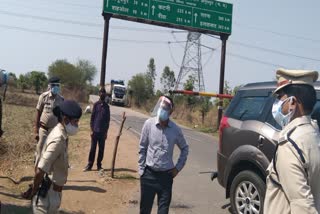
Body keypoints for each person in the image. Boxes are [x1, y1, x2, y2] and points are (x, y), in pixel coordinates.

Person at [264, 68, 320, 213]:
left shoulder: (289, 145)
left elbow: (303, 206)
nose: (278, 105)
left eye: (281, 99)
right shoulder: (313, 133)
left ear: (293, 102)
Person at [138, 96, 189, 214]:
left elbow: (185, 148)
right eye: (161, 107)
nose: (162, 110)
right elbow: (142, 147)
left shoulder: (175, 130)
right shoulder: (148, 124)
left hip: (166, 177)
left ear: (171, 111)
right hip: (148, 175)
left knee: (163, 211)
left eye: (165, 108)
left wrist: (177, 168)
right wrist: (142, 170)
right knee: (144, 210)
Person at [30, 100, 82, 213]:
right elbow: (40, 170)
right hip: (46, 197)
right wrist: (33, 191)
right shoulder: (58, 139)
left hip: (53, 194)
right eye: (76, 121)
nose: (77, 125)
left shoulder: (62, 134)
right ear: (65, 119)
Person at [34, 76, 64, 167]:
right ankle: (37, 176)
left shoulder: (61, 99)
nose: (56, 87)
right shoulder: (43, 97)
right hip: (43, 130)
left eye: (57, 85)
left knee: (51, 154)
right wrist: (36, 130)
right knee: (40, 153)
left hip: (54, 131)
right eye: (54, 85)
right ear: (50, 86)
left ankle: (47, 177)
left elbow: (61, 117)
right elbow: (38, 113)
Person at [83, 87, 110, 171]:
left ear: (105, 94)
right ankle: (89, 165)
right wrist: (91, 130)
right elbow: (92, 118)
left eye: (103, 92)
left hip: (102, 132)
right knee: (92, 149)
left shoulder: (107, 107)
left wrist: (106, 132)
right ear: (99, 94)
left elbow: (107, 120)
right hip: (95, 131)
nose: (102, 94)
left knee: (101, 150)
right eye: (101, 92)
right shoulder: (96, 105)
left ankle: (99, 165)